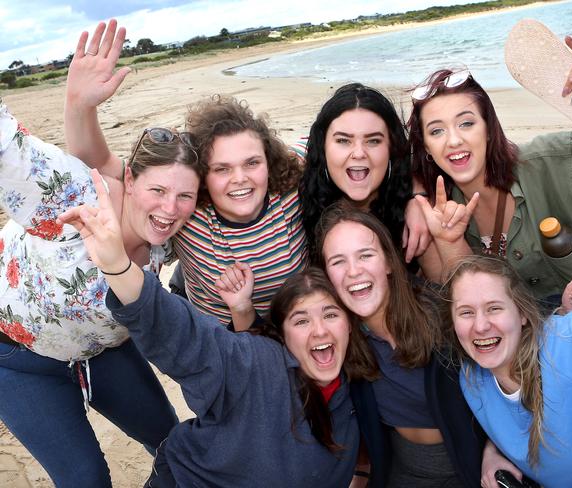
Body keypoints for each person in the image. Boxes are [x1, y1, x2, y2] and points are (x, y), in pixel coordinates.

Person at [58, 170, 361, 486]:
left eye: (330, 315)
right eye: (301, 321)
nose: (320, 331)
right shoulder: (257, 365)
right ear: (283, 335)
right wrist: (118, 266)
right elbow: (181, 334)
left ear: (350, 324)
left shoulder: (357, 389)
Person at [0, 91, 202, 484]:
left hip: (103, 352)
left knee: (173, 442)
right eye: (157, 191)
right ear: (129, 178)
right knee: (85, 478)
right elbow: (11, 148)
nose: (168, 209)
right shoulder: (77, 194)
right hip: (18, 359)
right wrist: (79, 102)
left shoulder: (175, 231)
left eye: (184, 196)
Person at [64, 20, 307, 328]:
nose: (240, 178)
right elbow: (95, 162)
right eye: (221, 169)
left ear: (269, 162)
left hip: (298, 329)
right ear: (203, 178)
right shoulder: (184, 211)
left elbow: (337, 140)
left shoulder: (288, 184)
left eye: (252, 163)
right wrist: (80, 106)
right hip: (217, 337)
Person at [407, 38, 572, 310]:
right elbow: (462, 304)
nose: (453, 141)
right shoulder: (439, 212)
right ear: (426, 147)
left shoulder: (556, 163)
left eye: (466, 123)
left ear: (489, 129)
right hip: (537, 328)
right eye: (437, 131)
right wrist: (414, 199)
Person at [442, 186, 572, 486]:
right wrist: (493, 450)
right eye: (466, 313)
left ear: (523, 313)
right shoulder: (473, 380)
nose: (481, 325)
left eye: (494, 308)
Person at [314, 202, 520, 487]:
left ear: (387, 261)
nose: (353, 271)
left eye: (365, 255)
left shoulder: (439, 313)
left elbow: (505, 373)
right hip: (404, 470)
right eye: (338, 261)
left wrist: (494, 449)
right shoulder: (340, 337)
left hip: (470, 464)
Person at [300, 82, 432, 265]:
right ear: (323, 148)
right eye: (343, 140)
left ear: (391, 149)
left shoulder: (416, 209)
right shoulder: (299, 200)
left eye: (373, 141)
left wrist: (419, 198)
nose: (359, 153)